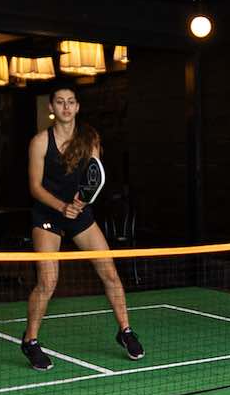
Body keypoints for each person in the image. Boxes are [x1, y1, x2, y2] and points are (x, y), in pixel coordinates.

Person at [21, 87, 143, 368]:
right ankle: (31, 341)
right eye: (60, 102)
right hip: (47, 214)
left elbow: (93, 180)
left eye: (71, 102)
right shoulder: (40, 142)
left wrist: (77, 203)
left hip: (79, 211)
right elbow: (35, 187)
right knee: (48, 281)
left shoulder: (89, 140)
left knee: (110, 272)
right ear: (52, 107)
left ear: (77, 107)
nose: (66, 107)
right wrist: (61, 207)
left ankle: (125, 331)